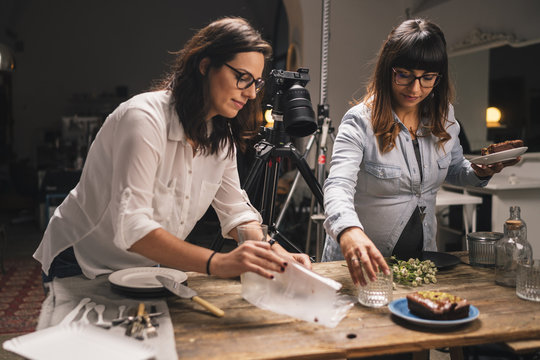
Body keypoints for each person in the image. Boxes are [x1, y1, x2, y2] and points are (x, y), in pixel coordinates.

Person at [34, 17, 311, 283]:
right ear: (205, 65)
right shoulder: (143, 119)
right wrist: (217, 263)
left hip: (142, 264)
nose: (251, 94)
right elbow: (132, 227)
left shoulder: (221, 136)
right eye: (242, 77)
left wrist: (276, 255)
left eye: (257, 82)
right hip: (79, 259)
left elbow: (237, 213)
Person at [322, 18, 519, 287]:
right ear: (387, 70)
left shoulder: (445, 116)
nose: (416, 89)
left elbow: (454, 168)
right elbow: (337, 185)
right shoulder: (360, 121)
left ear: (439, 77)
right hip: (361, 267)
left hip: (421, 263)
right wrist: (348, 231)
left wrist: (480, 170)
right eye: (404, 74)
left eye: (427, 78)